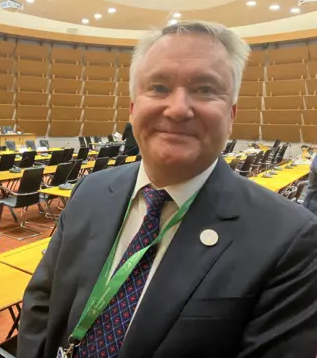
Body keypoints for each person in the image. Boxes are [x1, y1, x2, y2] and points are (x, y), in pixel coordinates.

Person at [18, 21, 317, 358]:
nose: (177, 109)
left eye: (205, 89)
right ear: (132, 110)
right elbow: (41, 303)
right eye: (158, 88)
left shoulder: (290, 239)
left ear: (231, 115)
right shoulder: (91, 190)